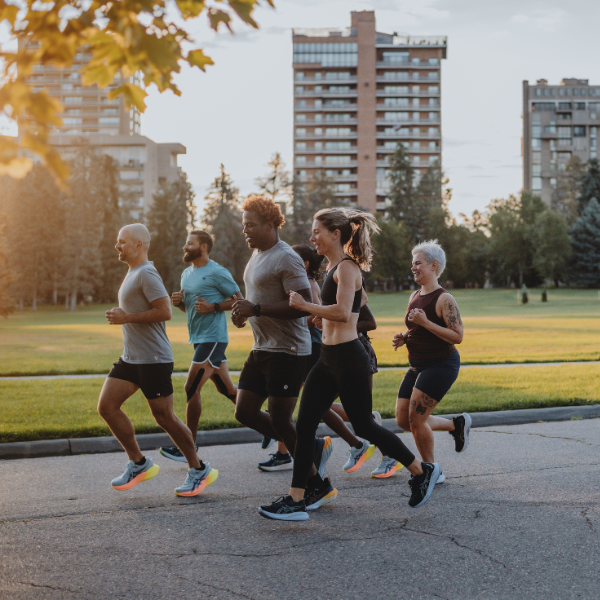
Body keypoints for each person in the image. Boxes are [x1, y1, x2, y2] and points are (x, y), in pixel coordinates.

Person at [258, 208, 441, 521]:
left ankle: (420, 471)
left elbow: (345, 312)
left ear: (335, 234)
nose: (312, 237)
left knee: (365, 425)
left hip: (348, 358)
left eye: (317, 231)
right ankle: (296, 499)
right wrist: (321, 317)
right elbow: (355, 307)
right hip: (328, 359)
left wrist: (307, 306)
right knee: (302, 425)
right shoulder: (333, 269)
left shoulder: (347, 268)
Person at [98, 224, 218, 497]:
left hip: (153, 359)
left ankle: (199, 469)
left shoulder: (147, 273)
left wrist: (126, 317)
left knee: (165, 417)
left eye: (122, 241)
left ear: (139, 244)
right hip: (131, 358)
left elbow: (164, 311)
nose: (117, 246)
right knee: (107, 406)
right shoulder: (132, 273)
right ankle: (139, 463)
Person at [232, 196, 333, 482]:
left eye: (250, 225)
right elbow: (255, 300)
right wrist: (244, 313)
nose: (245, 230)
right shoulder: (256, 255)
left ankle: (315, 485)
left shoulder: (286, 256)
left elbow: (298, 306)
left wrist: (258, 309)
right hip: (262, 346)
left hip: (288, 350)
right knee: (245, 412)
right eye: (244, 225)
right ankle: (309, 445)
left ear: (269, 224)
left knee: (279, 419)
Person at [260, 245, 376, 474]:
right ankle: (354, 440)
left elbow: (313, 316)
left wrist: (294, 313)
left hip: (316, 348)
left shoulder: (314, 284)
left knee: (304, 403)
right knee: (308, 405)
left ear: (303, 264)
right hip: (317, 347)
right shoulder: (318, 281)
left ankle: (358, 439)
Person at [159, 230, 242, 462]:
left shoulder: (217, 271)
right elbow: (191, 309)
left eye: (190, 243)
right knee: (227, 390)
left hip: (214, 338)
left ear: (203, 246)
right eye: (186, 243)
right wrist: (179, 304)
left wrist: (214, 307)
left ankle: (188, 445)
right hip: (198, 338)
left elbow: (240, 301)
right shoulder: (186, 274)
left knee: (190, 388)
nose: (185, 247)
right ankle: (269, 425)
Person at [393, 240, 470, 478]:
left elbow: (457, 336)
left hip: (441, 365)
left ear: (434, 266)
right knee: (403, 420)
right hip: (416, 364)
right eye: (412, 264)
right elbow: (417, 326)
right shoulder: (415, 295)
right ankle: (455, 425)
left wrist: (425, 322)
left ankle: (431, 470)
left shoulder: (444, 299)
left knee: (416, 420)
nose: (413, 268)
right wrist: (405, 336)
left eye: (418, 263)